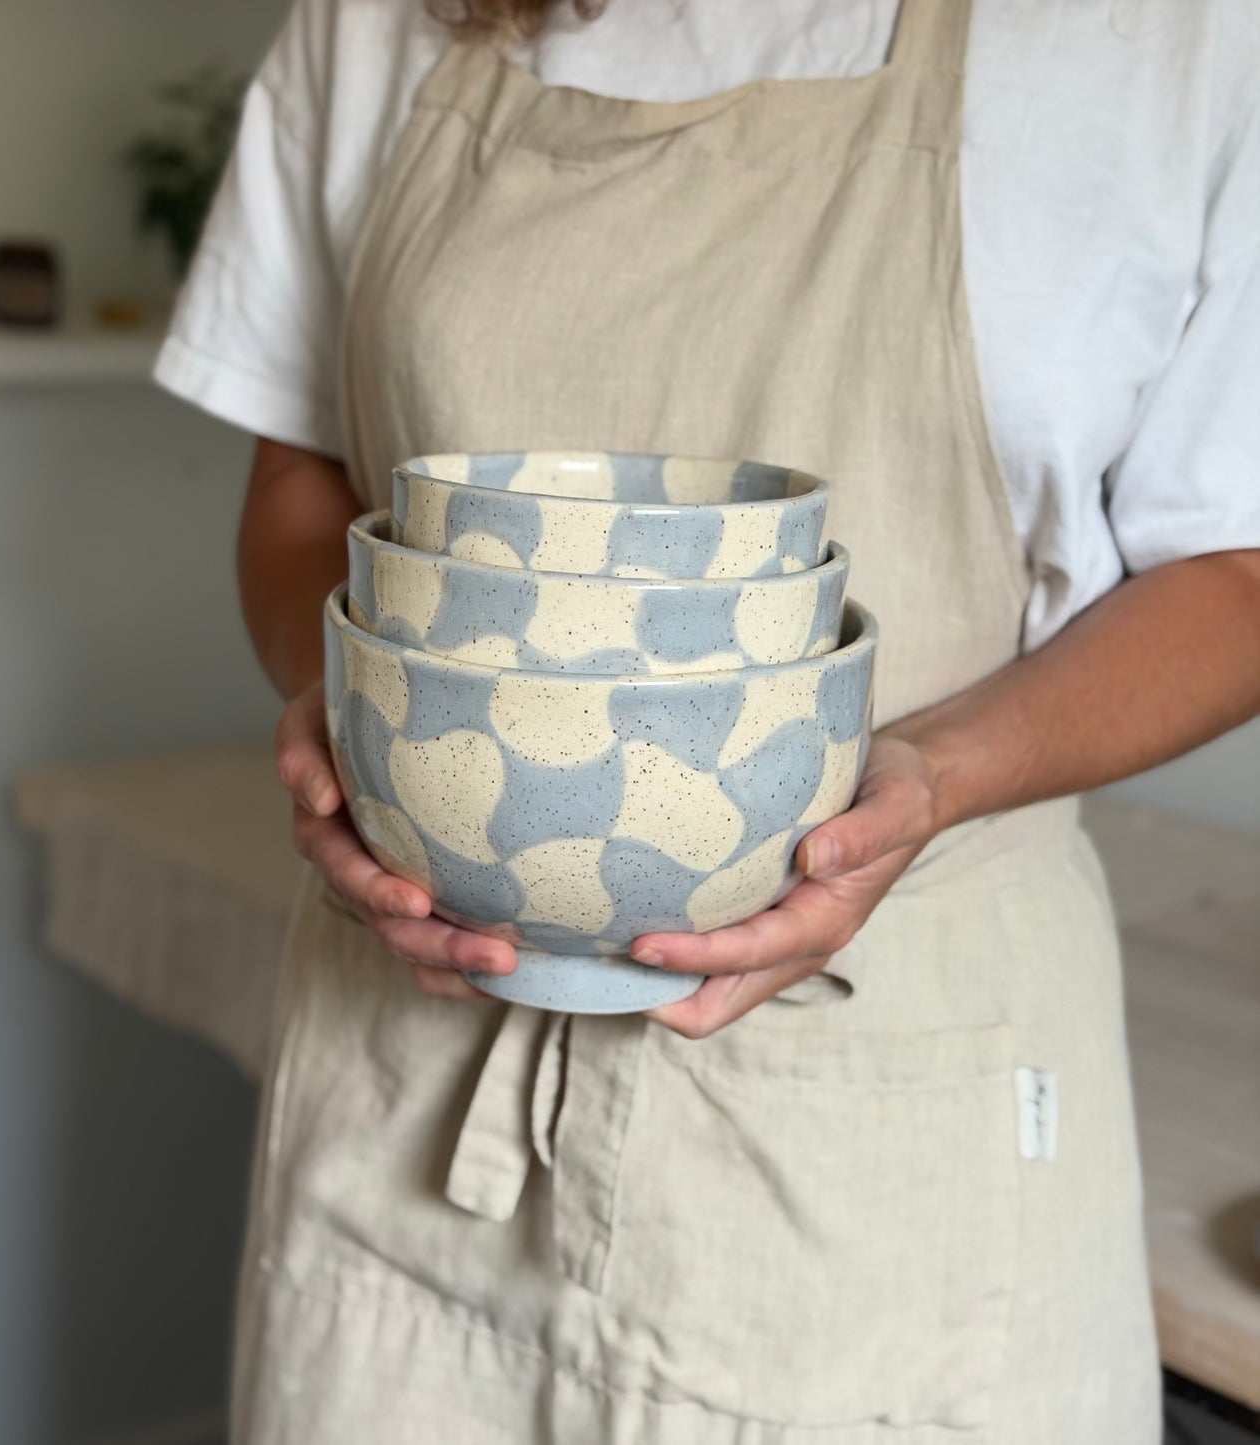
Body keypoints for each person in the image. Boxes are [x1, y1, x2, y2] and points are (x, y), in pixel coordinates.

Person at [154, 0, 1260, 1438]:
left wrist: (929, 775)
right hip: (414, 1077)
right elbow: (300, 466)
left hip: (891, 1108)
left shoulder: (1182, 38)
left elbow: (1235, 571)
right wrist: (343, 697)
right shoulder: (382, 18)